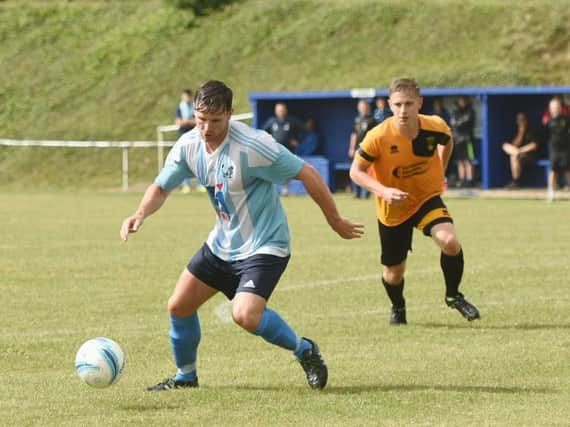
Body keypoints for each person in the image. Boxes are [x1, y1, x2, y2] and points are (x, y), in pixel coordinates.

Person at [120, 80, 363, 391]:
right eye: (200, 118)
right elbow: (162, 186)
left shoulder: (253, 146)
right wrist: (140, 213)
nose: (206, 128)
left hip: (265, 245)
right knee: (178, 306)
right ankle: (186, 377)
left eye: (215, 120)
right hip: (222, 245)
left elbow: (306, 172)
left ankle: (305, 351)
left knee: (245, 315)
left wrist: (335, 219)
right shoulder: (188, 146)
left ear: (231, 114)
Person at [349, 77, 480, 325]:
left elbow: (448, 140)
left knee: (449, 241)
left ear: (419, 103)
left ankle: (453, 296)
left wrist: (440, 168)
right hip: (393, 210)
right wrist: (383, 191)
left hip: (425, 198)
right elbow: (355, 172)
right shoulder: (377, 136)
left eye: (409, 104)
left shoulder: (435, 126)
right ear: (389, 104)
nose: (403, 110)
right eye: (398, 104)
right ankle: (398, 306)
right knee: (393, 273)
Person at [262, 102, 304, 195]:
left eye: (282, 110)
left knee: (287, 169)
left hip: (288, 150)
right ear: (275, 111)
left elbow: (303, 129)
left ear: (285, 110)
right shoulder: (272, 121)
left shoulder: (291, 120)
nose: (280, 111)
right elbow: (262, 132)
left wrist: (298, 141)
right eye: (278, 110)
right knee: (272, 169)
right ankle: (271, 190)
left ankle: (285, 190)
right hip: (274, 150)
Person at [501, 113, 539, 189]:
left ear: (526, 121)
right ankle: (516, 182)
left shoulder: (532, 130)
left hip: (529, 155)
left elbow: (534, 146)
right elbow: (513, 145)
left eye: (522, 120)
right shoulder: (515, 130)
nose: (521, 122)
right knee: (505, 146)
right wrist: (521, 132)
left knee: (514, 156)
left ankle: (516, 181)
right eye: (519, 120)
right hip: (518, 153)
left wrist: (520, 151)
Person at [348, 99, 377, 198]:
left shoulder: (372, 120)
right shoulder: (357, 119)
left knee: (367, 171)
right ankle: (357, 193)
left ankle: (367, 193)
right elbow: (354, 134)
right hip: (358, 148)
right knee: (356, 169)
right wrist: (351, 148)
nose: (362, 109)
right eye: (360, 107)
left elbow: (375, 135)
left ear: (367, 107)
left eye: (364, 106)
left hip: (368, 148)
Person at [545, 97, 570, 201]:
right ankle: (551, 192)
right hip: (554, 150)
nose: (555, 109)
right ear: (550, 109)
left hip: (566, 149)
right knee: (553, 170)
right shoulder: (548, 121)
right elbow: (546, 136)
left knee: (568, 170)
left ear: (560, 108)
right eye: (553, 107)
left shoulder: (566, 119)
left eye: (557, 107)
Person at [450, 96, 476, 188]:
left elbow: (466, 122)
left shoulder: (470, 111)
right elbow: (453, 123)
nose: (462, 102)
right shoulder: (455, 111)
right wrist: (457, 123)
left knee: (468, 160)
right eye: (460, 100)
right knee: (460, 160)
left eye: (464, 100)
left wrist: (458, 123)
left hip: (467, 139)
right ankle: (462, 180)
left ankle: (470, 180)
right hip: (457, 140)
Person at [175, 89, 197, 193]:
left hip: (195, 137)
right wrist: (189, 122)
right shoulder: (180, 108)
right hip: (183, 138)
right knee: (184, 161)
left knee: (197, 160)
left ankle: (200, 185)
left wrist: (187, 122)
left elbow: (197, 121)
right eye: (184, 96)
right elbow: (178, 123)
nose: (186, 98)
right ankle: (186, 185)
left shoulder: (195, 107)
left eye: (188, 96)